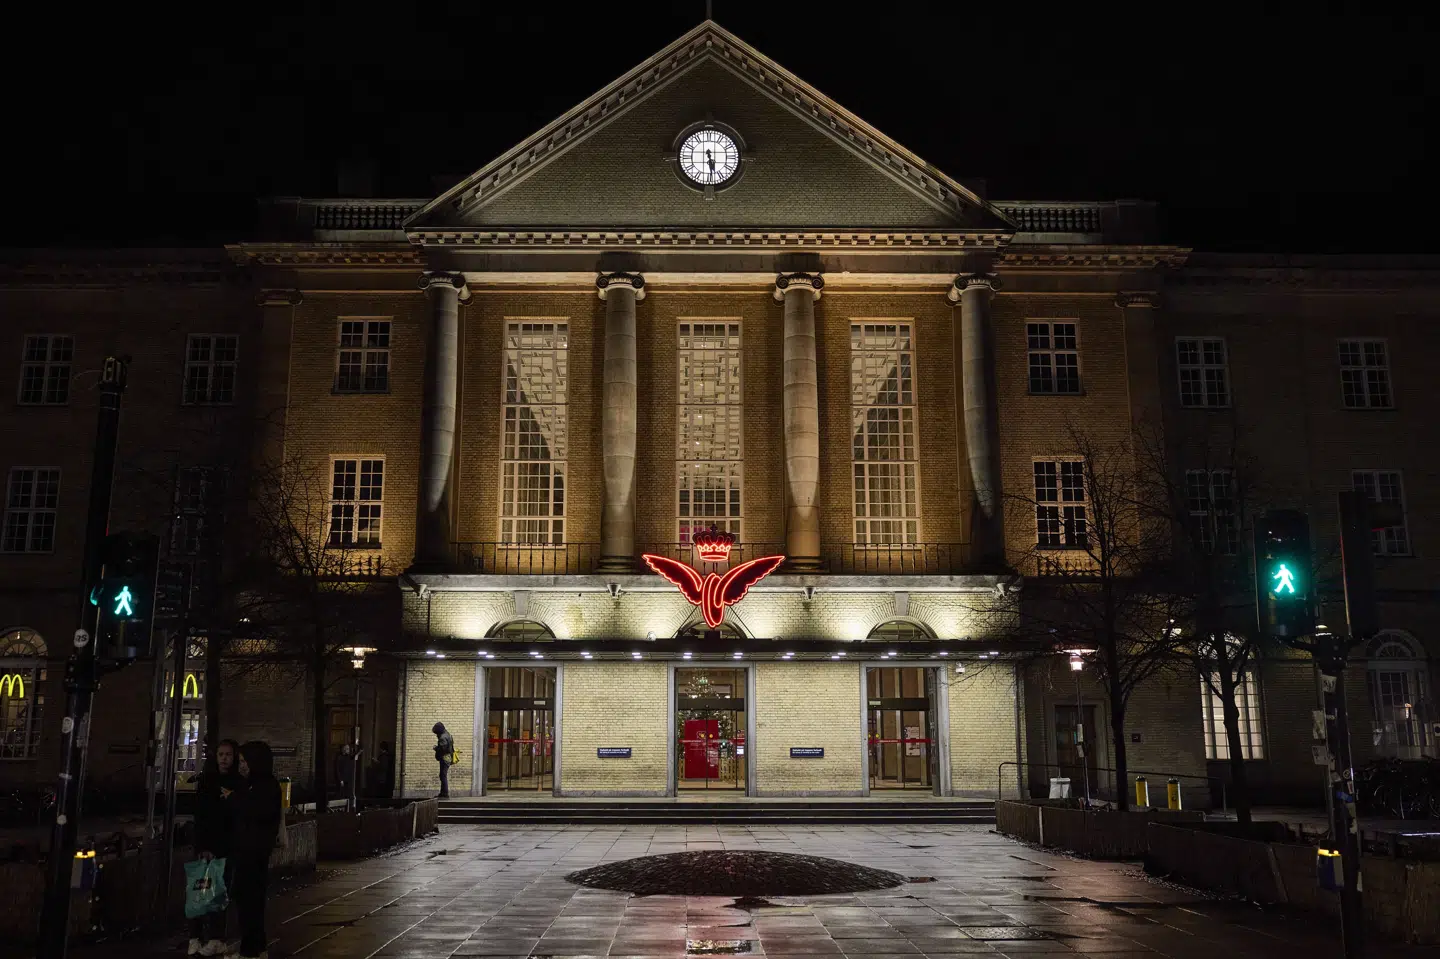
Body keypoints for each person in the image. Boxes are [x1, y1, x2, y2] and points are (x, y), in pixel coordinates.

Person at [187, 739, 241, 957]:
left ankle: (215, 936)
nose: (224, 758)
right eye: (221, 754)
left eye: (228, 754)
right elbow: (201, 816)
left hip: (226, 846)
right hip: (209, 846)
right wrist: (202, 845)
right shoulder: (208, 781)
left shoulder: (237, 782)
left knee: (219, 892)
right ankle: (196, 936)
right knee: (200, 891)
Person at [231, 741, 282, 959]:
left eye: (244, 761)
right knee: (250, 902)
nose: (241, 766)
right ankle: (256, 947)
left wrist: (233, 799)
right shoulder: (253, 784)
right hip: (251, 852)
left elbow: (258, 813)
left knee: (249, 902)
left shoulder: (264, 786)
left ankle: (250, 950)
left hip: (253, 853)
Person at [432, 723, 454, 799]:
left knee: (443, 776)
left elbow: (443, 749)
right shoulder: (448, 734)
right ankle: (443, 793)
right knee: (443, 775)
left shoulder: (442, 737)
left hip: (444, 758)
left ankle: (445, 794)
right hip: (448, 757)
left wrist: (436, 748)